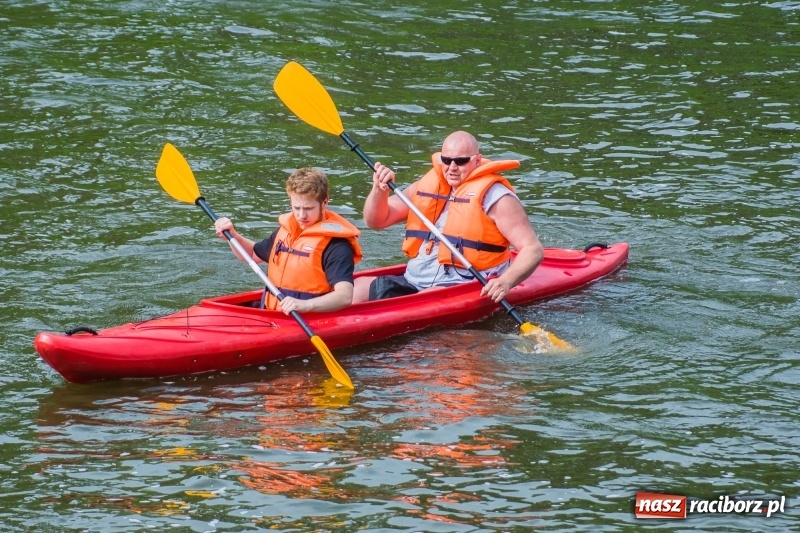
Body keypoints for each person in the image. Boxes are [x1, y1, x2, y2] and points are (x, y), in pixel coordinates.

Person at [352, 130, 544, 304]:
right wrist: (379, 190)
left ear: (477, 160)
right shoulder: (428, 186)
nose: (452, 167)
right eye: (446, 160)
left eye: (460, 161)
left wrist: (505, 282)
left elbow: (532, 249)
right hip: (414, 279)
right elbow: (376, 221)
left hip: (461, 284)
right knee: (356, 288)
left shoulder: (496, 197)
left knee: (419, 303)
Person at [214, 167, 362, 314]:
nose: (301, 215)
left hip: (311, 317)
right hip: (272, 313)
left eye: (308, 208)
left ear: (324, 202)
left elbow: (344, 296)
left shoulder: (336, 245)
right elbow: (252, 254)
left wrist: (305, 305)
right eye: (296, 207)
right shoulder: (286, 231)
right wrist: (232, 236)